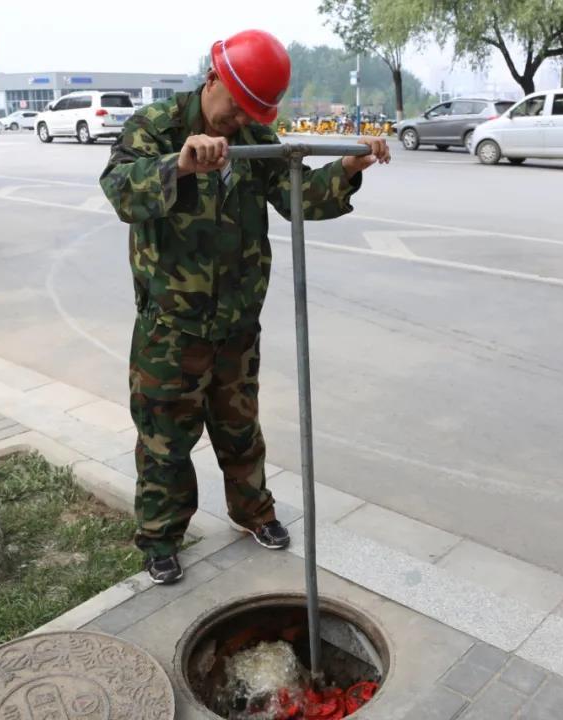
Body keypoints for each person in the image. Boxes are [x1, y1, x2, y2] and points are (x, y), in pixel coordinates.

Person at [99, 30, 390, 585]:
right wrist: (181, 165)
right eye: (234, 106)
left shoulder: (255, 137)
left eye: (249, 112)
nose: (237, 121)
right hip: (172, 330)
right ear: (213, 79)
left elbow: (297, 198)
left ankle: (253, 512)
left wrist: (349, 169)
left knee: (240, 430)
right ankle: (161, 538)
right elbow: (120, 191)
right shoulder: (156, 127)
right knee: (165, 441)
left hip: (236, 323)